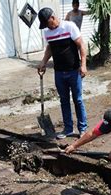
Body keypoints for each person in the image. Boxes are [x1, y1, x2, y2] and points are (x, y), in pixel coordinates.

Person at [37, 7, 88, 139]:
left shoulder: (69, 27)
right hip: (59, 72)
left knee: (78, 100)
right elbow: (50, 48)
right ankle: (68, 129)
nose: (47, 27)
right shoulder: (48, 33)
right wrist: (43, 62)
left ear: (52, 18)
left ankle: (82, 128)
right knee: (64, 100)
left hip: (73, 71)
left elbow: (81, 45)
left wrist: (83, 65)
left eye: (47, 23)